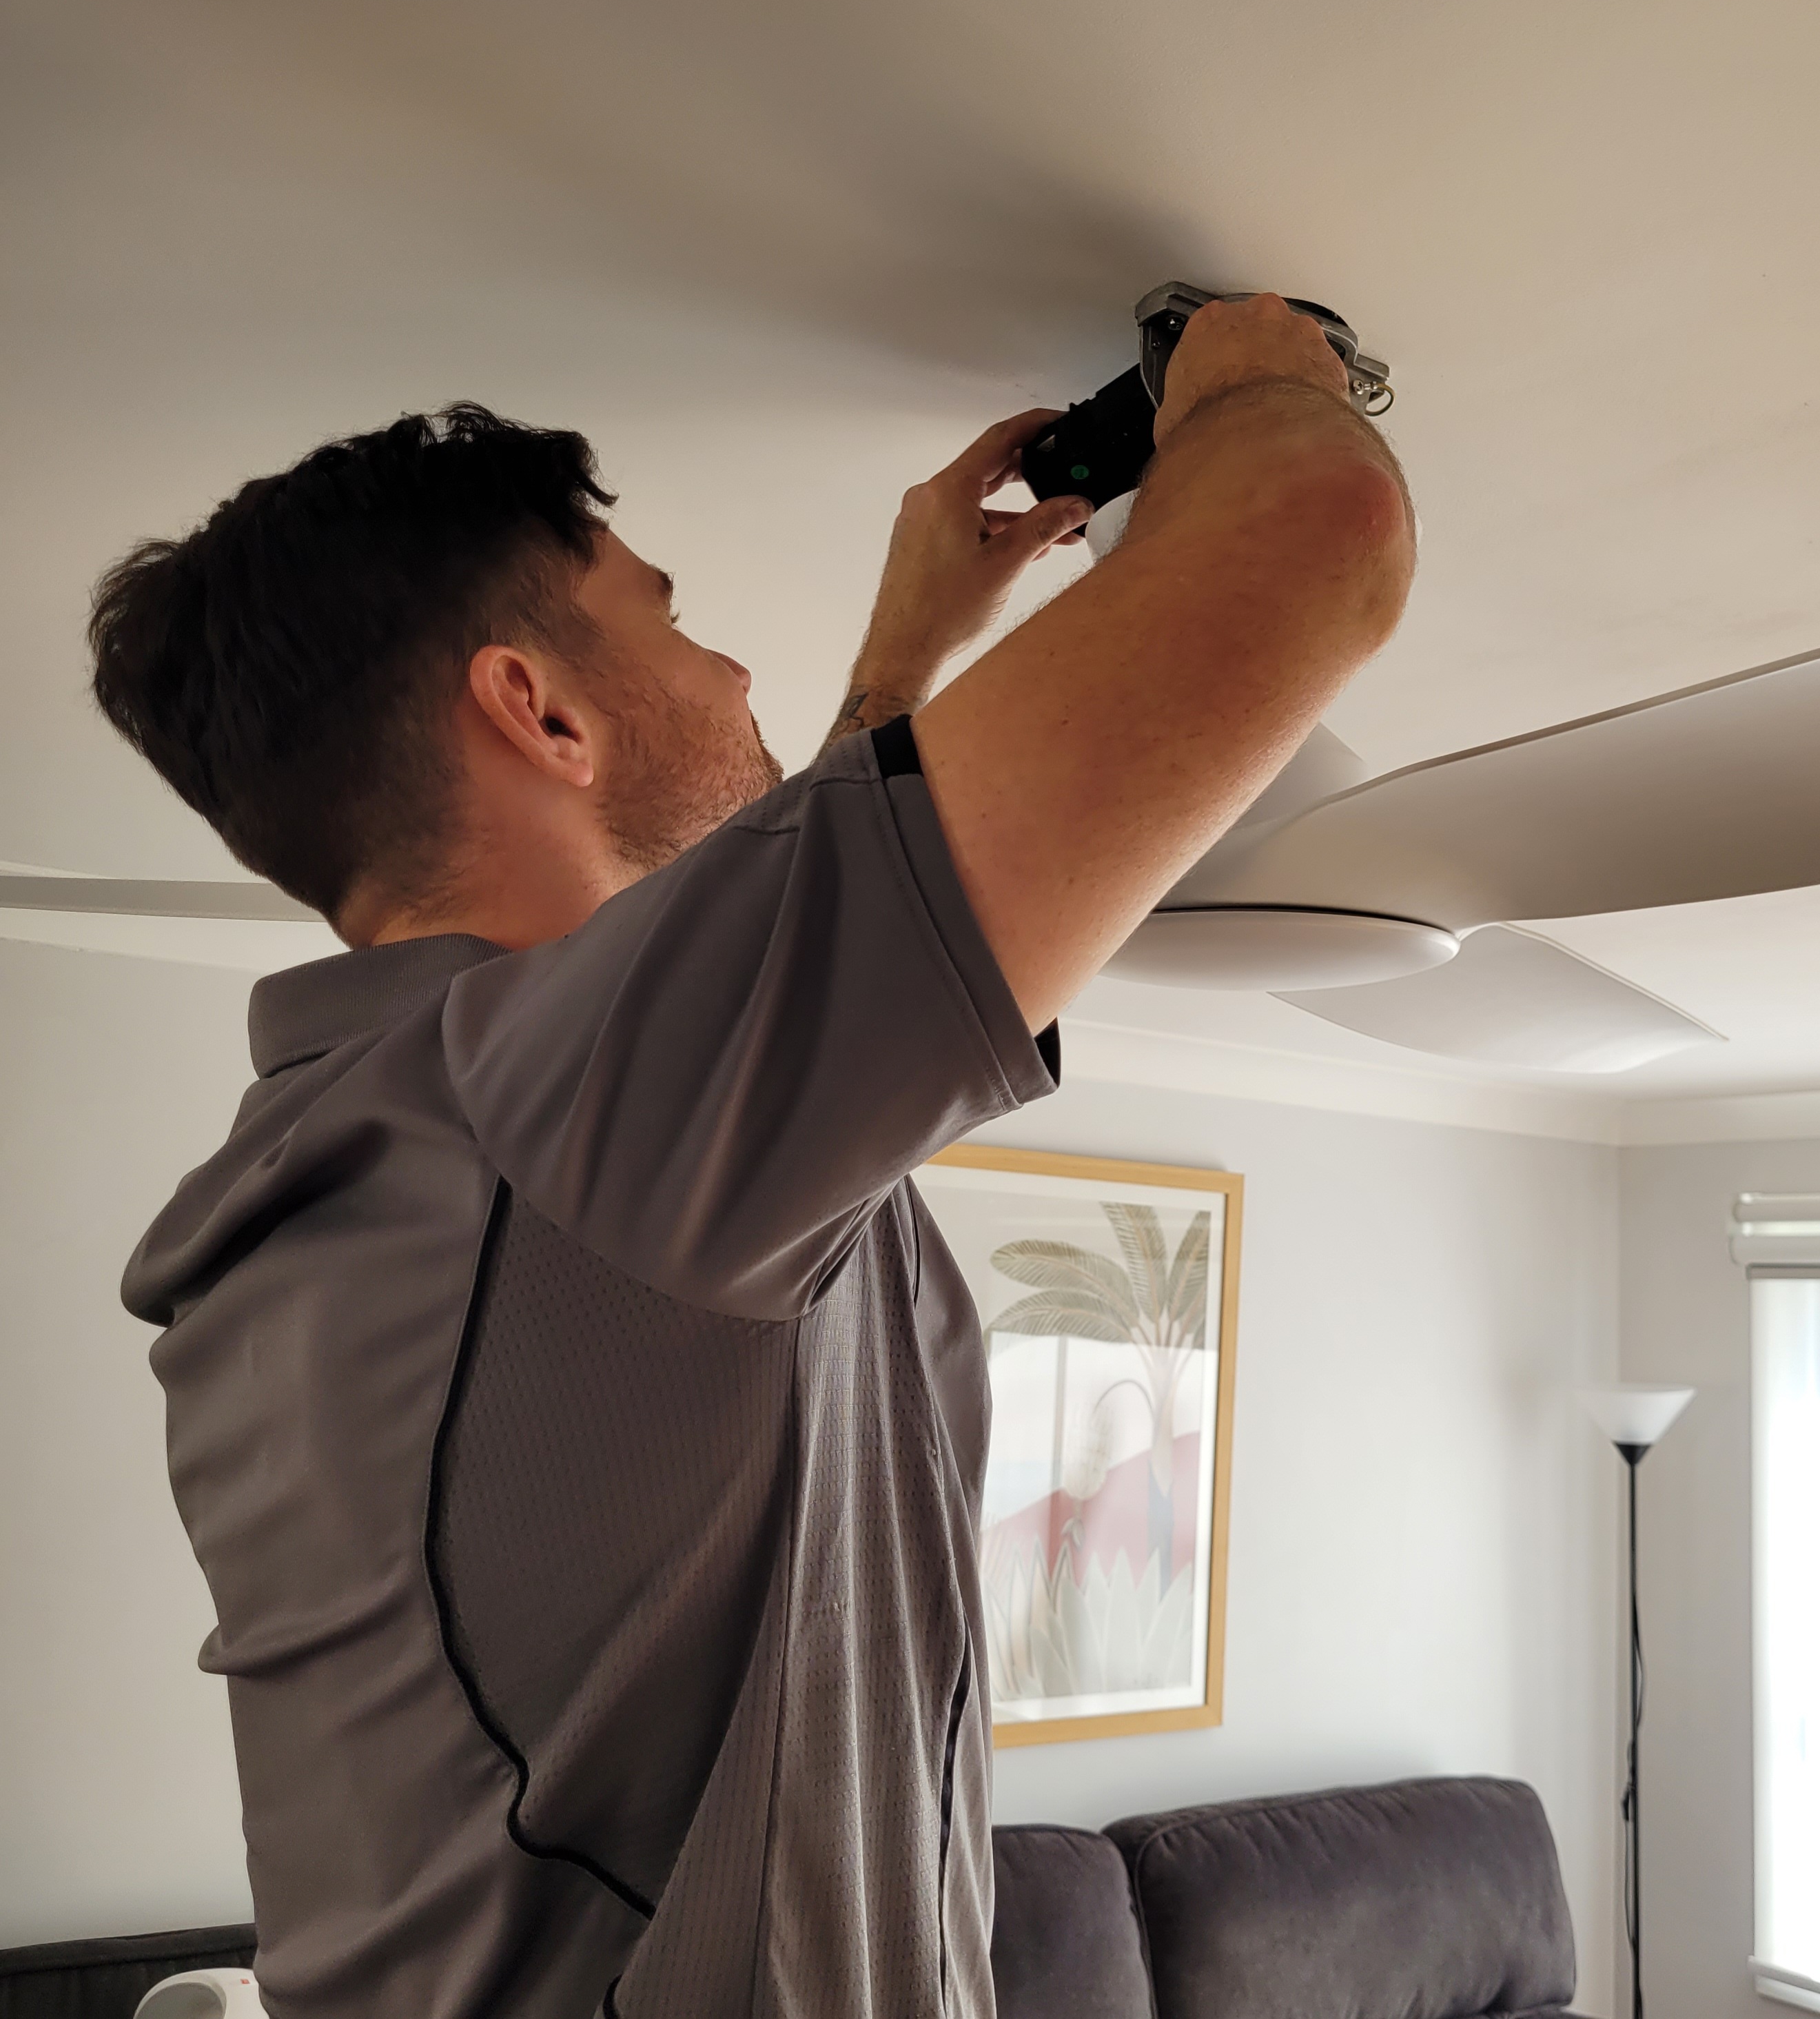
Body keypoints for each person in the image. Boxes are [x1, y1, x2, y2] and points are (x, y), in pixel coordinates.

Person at [91, 295, 1414, 2019]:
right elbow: (1318, 537)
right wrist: (1253, 364)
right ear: (540, 713)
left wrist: (900, 680)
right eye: (677, 618)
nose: (724, 672)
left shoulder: (374, 1154)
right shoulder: (564, 1112)